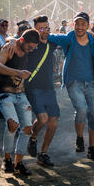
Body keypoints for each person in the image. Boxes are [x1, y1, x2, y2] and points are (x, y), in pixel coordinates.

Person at [47, 12, 94, 161]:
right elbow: (49, 36)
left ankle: (92, 148)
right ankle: (80, 138)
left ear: (88, 26)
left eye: (83, 24)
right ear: (73, 25)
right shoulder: (69, 38)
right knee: (81, 108)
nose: (80, 27)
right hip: (73, 82)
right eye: (77, 24)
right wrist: (18, 39)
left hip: (91, 82)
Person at [0, 29, 40, 175]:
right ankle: (6, 159)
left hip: (20, 94)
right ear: (22, 41)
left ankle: (18, 162)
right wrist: (18, 73)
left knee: (27, 128)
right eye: (29, 47)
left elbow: (14, 35)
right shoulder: (9, 48)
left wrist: (11, 39)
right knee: (12, 125)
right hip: (4, 94)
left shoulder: (18, 44)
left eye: (33, 47)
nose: (31, 50)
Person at [22, 16, 61, 167]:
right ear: (35, 30)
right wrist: (11, 41)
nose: (45, 31)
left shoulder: (52, 42)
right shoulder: (30, 44)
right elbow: (15, 41)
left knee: (53, 122)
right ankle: (33, 136)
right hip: (33, 87)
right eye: (41, 28)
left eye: (47, 27)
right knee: (43, 119)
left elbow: (71, 37)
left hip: (49, 88)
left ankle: (43, 153)